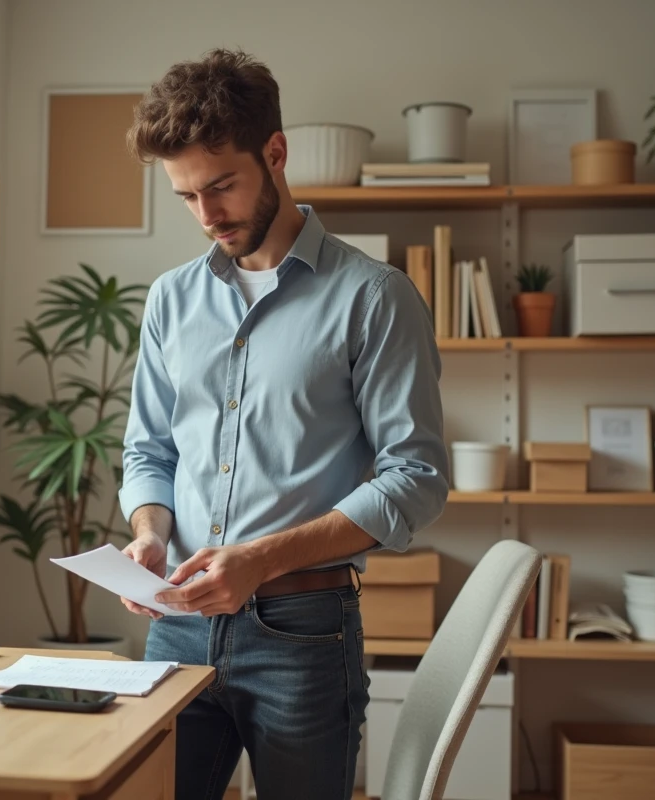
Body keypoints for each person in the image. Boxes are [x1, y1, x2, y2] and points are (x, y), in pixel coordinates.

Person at [117, 47, 450, 800]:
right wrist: (150, 534)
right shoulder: (171, 300)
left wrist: (260, 560)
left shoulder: (375, 297)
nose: (207, 216)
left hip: (304, 630)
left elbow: (416, 478)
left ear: (275, 153)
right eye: (186, 196)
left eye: (221, 186)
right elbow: (150, 450)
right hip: (177, 623)